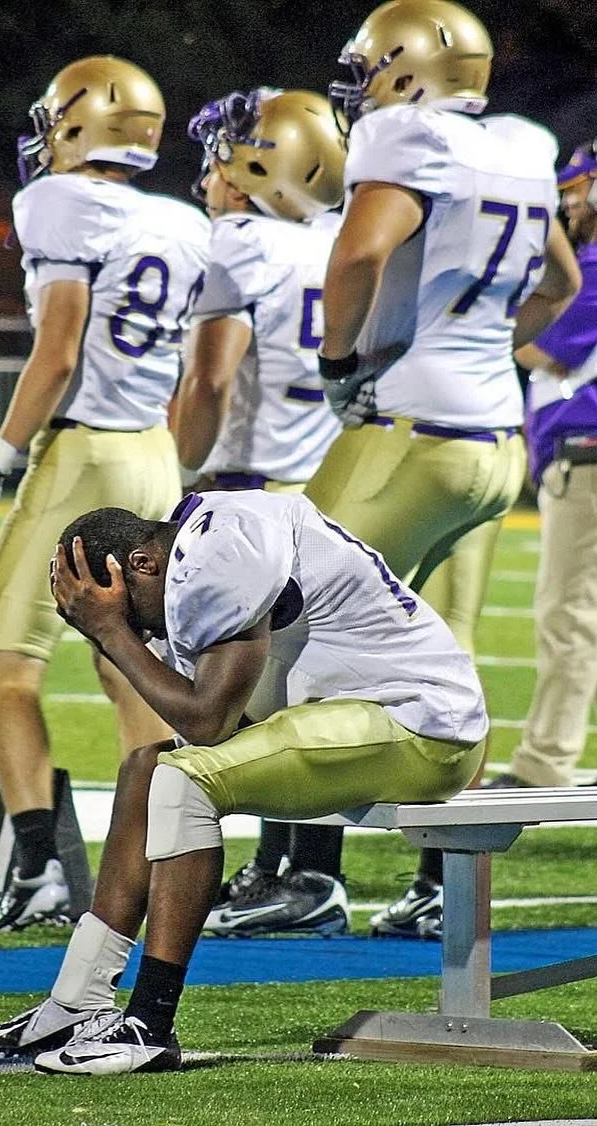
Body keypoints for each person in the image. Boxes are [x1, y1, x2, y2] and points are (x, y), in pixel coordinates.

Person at [213, 0, 580, 942]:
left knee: (294, 624)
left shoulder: (405, 136)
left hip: (410, 430)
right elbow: (560, 284)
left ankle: (303, 873)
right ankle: (439, 881)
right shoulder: (524, 146)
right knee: (445, 653)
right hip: (493, 443)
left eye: (370, 66)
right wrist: (484, 350)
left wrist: (345, 362)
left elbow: (361, 253)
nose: (360, 85)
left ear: (409, 69)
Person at [0, 492, 488, 1073]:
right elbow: (214, 717)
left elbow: (207, 721)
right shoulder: (188, 554)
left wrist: (112, 632)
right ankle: (77, 1001)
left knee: (184, 781)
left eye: (131, 613)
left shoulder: (222, 553)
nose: (141, 629)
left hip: (422, 727)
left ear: (141, 563)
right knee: (144, 770)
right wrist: (111, 626)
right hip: (357, 714)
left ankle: (151, 1024)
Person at [0, 56, 210, 931]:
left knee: (7, 668)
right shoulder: (183, 222)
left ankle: (37, 869)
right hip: (153, 452)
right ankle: (161, 862)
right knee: (132, 670)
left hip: (85, 453)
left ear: (76, 125)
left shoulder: (59, 202)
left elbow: (59, 348)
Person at [172, 87, 350, 937]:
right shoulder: (335, 240)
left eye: (226, 153)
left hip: (251, 487)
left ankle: (309, 875)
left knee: (271, 698)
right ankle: (286, 864)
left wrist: (175, 466)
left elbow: (210, 381)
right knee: (298, 689)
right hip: (322, 481)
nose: (211, 171)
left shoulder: (241, 243)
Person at [488, 142, 597, 789]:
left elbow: (539, 344)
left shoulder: (592, 264)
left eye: (578, 190)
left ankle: (544, 764)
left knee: (567, 614)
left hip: (588, 455)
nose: (569, 204)